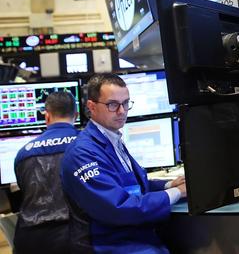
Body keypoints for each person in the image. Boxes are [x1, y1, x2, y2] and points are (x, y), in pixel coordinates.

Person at [61, 74, 186, 253]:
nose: (122, 111)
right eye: (113, 104)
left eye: (126, 103)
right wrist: (177, 192)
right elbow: (118, 207)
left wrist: (169, 184)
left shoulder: (112, 138)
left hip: (133, 235)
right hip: (108, 244)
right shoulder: (82, 153)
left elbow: (131, 185)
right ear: (91, 106)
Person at [13, 91, 79, 254]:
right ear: (76, 115)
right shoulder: (87, 145)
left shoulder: (23, 153)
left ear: (47, 116)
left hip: (31, 241)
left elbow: (24, 190)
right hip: (76, 236)